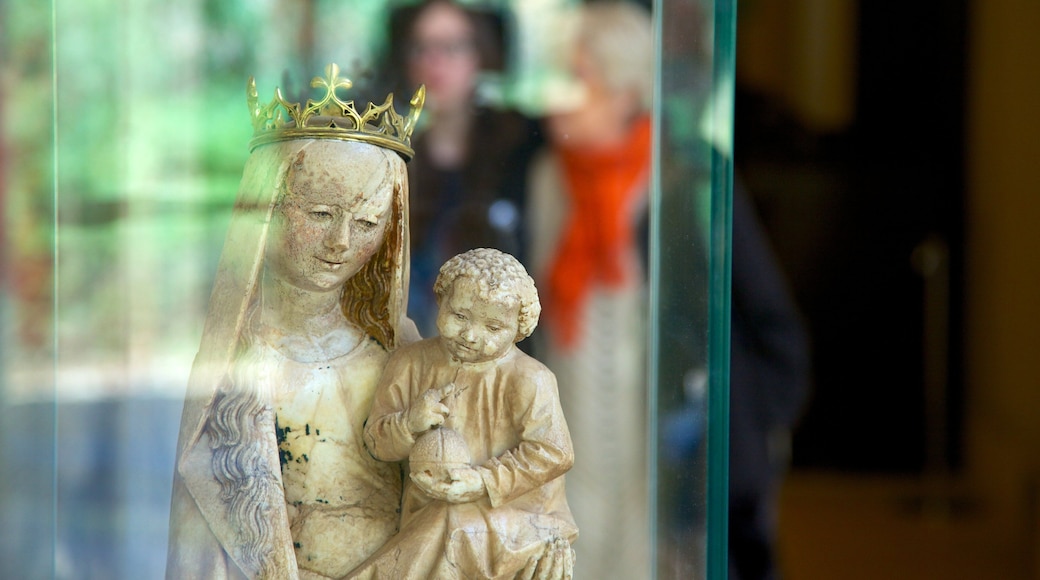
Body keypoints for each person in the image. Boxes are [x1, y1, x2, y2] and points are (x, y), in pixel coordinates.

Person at [165, 117, 420, 576]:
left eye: (366, 222)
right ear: (267, 208)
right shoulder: (234, 363)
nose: (341, 242)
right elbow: (200, 546)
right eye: (320, 213)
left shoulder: (401, 351)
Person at [351, 248, 577, 579]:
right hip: (428, 507)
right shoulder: (411, 363)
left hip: (517, 514)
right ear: (440, 300)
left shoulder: (529, 378)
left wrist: (483, 481)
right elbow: (377, 443)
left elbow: (554, 452)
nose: (471, 336)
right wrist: (409, 424)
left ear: (519, 328)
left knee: (454, 527)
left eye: (494, 327)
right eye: (459, 317)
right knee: (445, 521)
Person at [525, 2, 654, 577]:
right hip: (559, 452)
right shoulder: (543, 178)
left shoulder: (674, 181)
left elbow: (768, 332)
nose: (556, 97)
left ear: (625, 92)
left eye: (576, 80)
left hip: (652, 465)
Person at [389, 0, 544, 336]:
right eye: (422, 47)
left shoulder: (522, 142)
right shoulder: (396, 154)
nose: (435, 62)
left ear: (480, 54)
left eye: (452, 47)